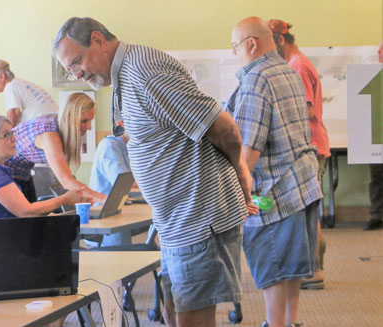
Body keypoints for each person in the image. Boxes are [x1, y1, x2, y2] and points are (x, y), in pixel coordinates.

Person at [54, 17, 256, 327]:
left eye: (77, 61)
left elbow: (222, 126)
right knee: (175, 312)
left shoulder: (144, 72)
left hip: (197, 218)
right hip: (179, 220)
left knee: (193, 317)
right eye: (70, 70)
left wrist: (243, 177)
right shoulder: (127, 75)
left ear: (98, 40)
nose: (78, 74)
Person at [226, 17, 323, 327]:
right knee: (291, 269)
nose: (233, 54)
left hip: (273, 192)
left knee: (273, 267)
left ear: (251, 44)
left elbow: (248, 149)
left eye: (235, 46)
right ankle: (289, 322)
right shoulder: (287, 69)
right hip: (300, 184)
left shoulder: (256, 78)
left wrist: (235, 195)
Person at [268, 19, 328, 290]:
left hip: (310, 147)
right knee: (307, 209)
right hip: (310, 146)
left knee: (308, 210)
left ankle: (313, 270)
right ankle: (311, 266)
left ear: (281, 40)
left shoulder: (298, 67)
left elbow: (308, 111)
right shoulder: (297, 64)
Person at [0, 114, 88, 219]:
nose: (14, 139)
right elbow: (26, 212)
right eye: (6, 135)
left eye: (12, 133)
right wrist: (64, 199)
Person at [6, 92, 106, 204]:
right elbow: (66, 181)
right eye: (83, 121)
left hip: (24, 176)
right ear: (68, 117)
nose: (89, 127)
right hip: (5, 176)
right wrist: (103, 199)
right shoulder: (49, 134)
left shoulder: (59, 123)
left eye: (90, 120)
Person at [0, 59, 57, 127]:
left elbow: (13, 114)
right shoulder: (19, 83)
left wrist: (7, 135)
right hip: (55, 123)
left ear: (2, 76)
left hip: (45, 127)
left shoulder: (10, 86)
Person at [363, 41, 383, 231]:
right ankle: (377, 215)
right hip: (377, 136)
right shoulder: (373, 77)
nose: (379, 52)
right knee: (377, 178)